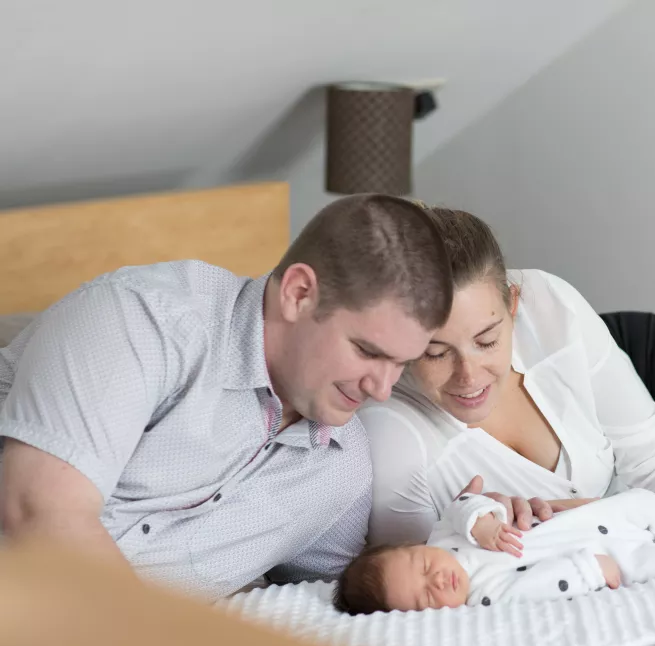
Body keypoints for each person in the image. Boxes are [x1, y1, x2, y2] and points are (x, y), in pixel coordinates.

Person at [0, 194, 452, 600]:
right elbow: (40, 514)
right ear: (299, 294)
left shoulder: (340, 469)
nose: (381, 389)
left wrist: (466, 534)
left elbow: (341, 598)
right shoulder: (144, 321)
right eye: (368, 352)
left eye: (401, 364)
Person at [360, 207, 655, 571]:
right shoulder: (392, 434)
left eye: (487, 341)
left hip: (643, 361)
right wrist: (484, 528)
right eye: (435, 353)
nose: (468, 376)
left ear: (513, 305)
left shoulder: (548, 304)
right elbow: (417, 582)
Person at [334, 488, 655, 614]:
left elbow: (461, 504)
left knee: (643, 503)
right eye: (426, 598)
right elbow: (538, 588)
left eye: (422, 565)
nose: (436, 579)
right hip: (605, 557)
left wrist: (481, 520)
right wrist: (589, 571)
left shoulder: (446, 536)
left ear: (417, 547)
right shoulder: (483, 597)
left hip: (590, 518)